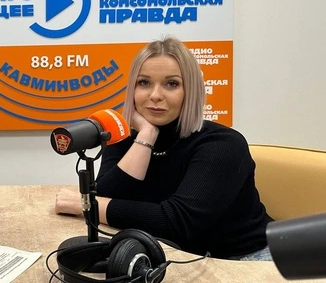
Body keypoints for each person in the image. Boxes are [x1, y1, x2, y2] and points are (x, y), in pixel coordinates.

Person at [55, 36, 272, 260]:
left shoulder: (223, 144)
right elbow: (106, 197)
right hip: (174, 255)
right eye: (144, 83)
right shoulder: (125, 138)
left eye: (172, 84)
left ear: (190, 91)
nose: (155, 95)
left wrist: (86, 205)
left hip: (247, 259)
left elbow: (177, 222)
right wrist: (146, 136)